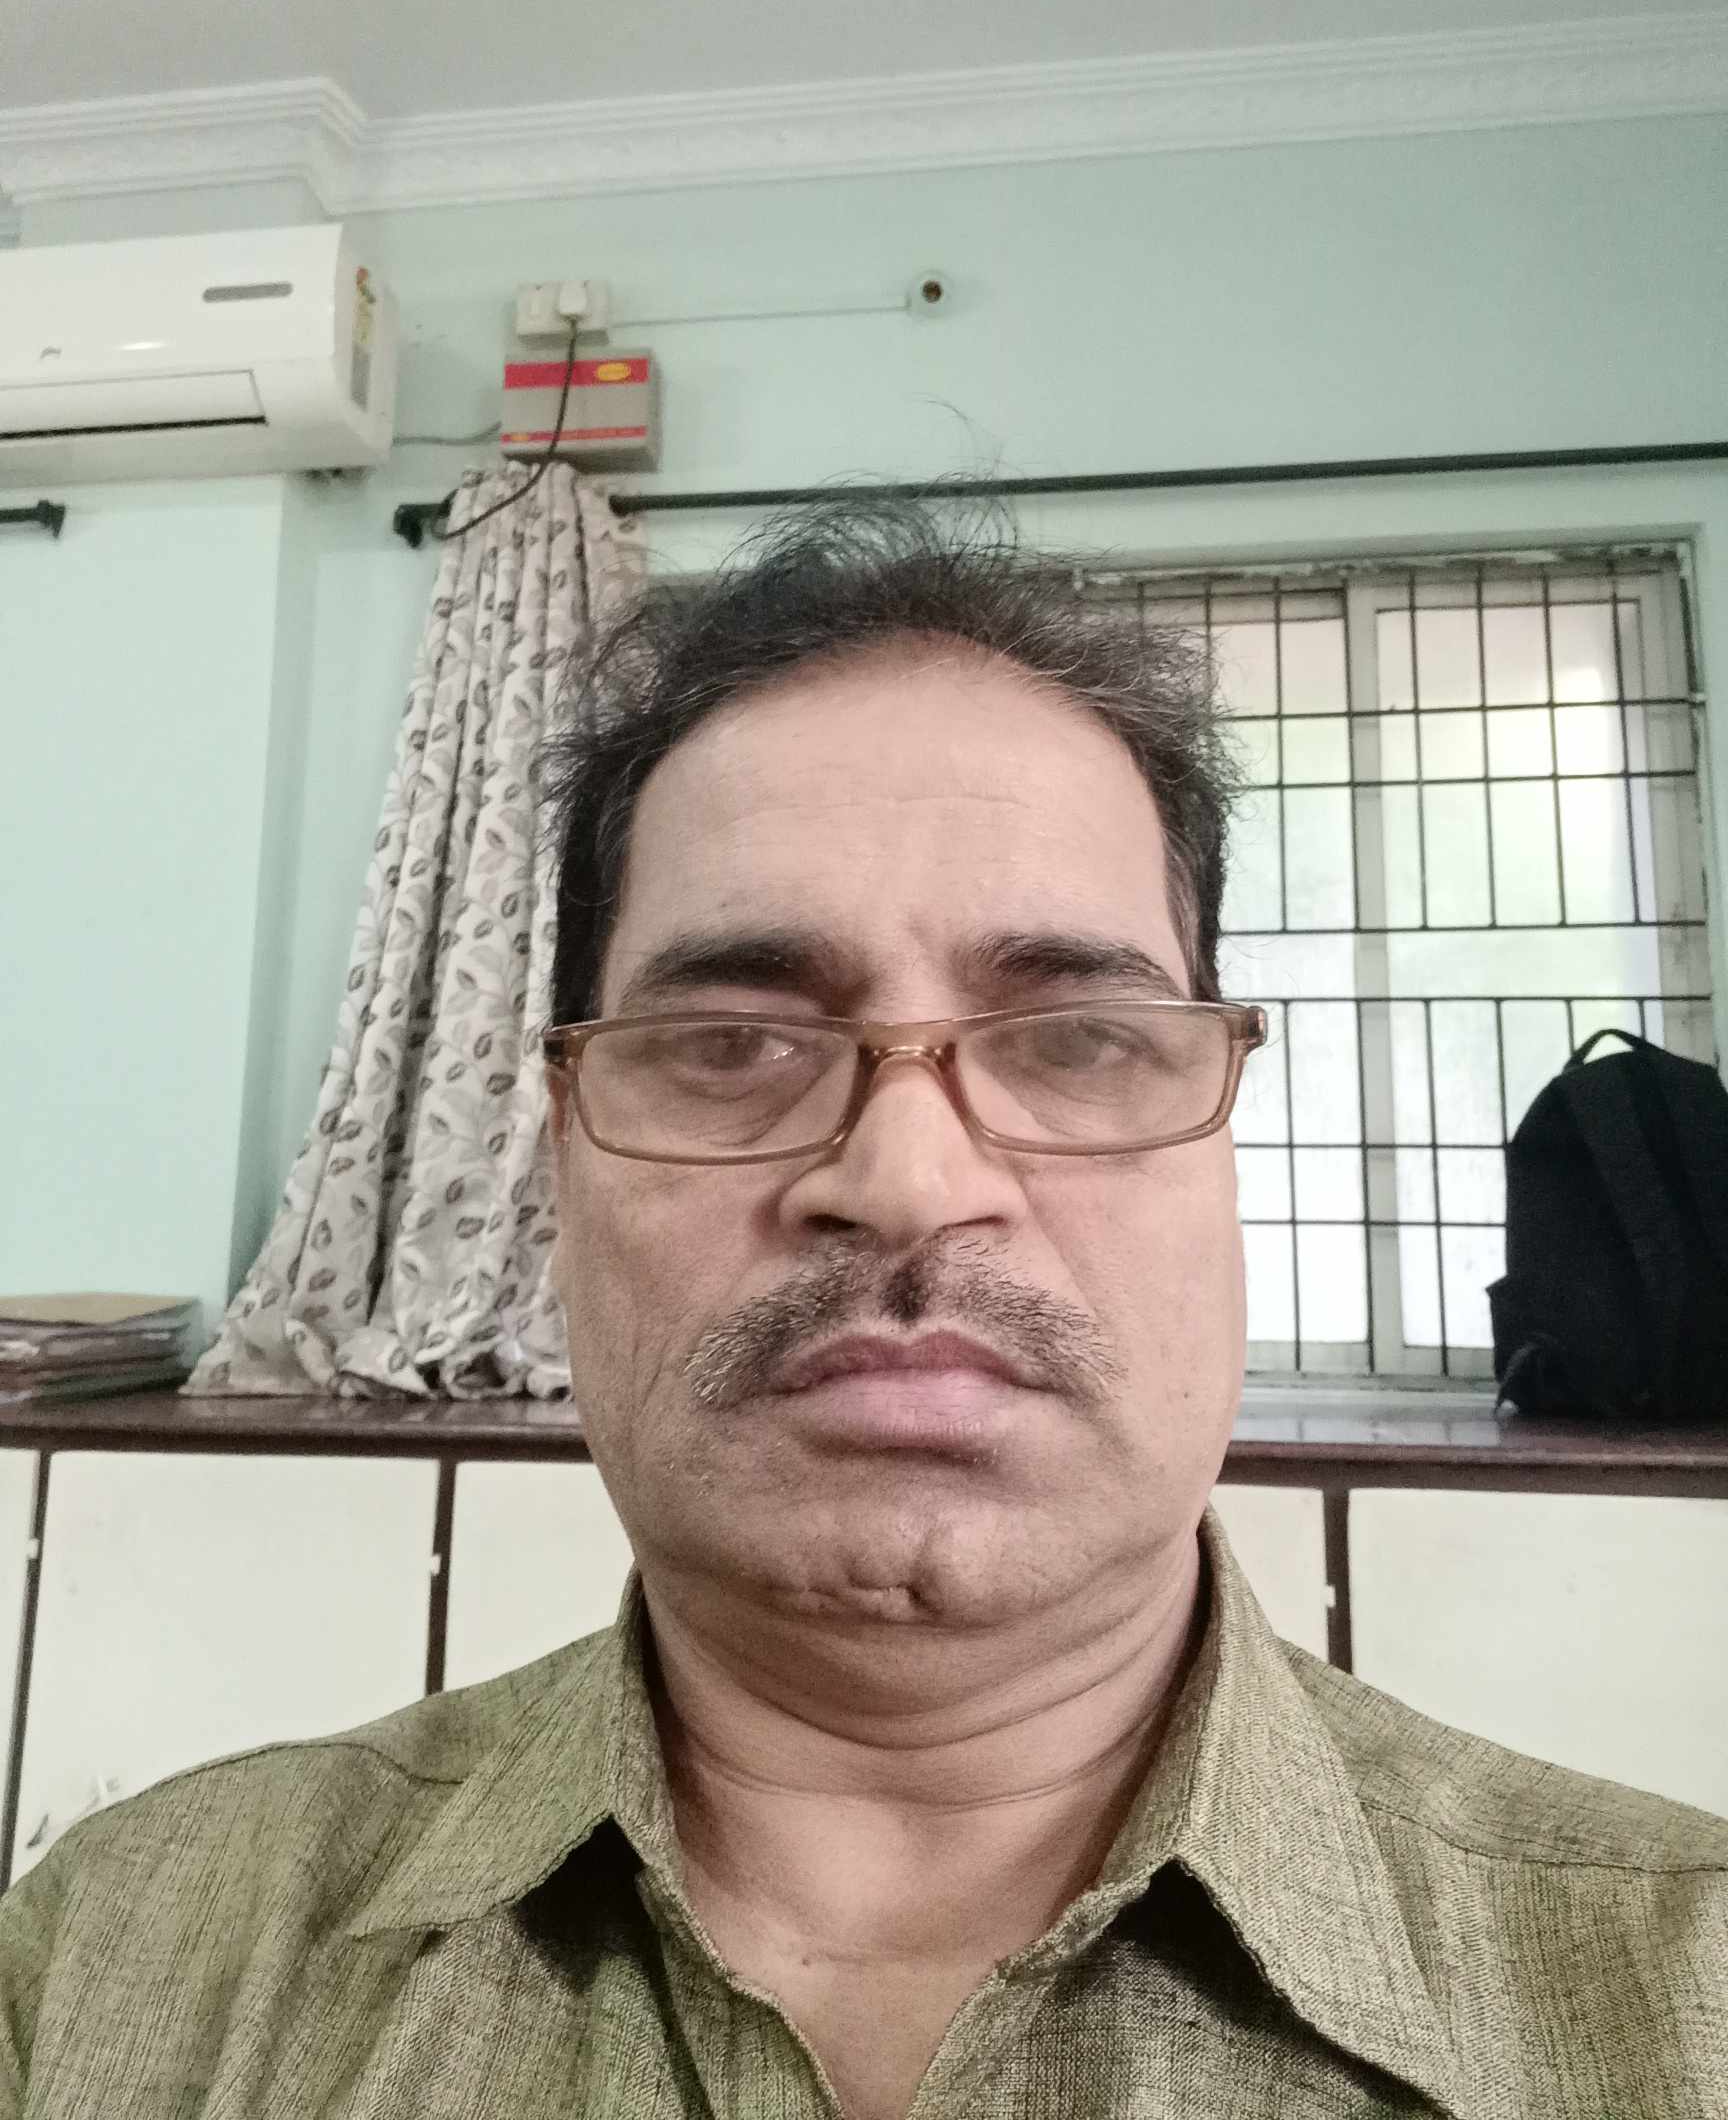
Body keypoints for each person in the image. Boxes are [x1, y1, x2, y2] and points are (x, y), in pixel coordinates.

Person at [2, 503, 1724, 2119]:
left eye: (1079, 1040)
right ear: (561, 1155)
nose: (907, 1180)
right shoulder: (109, 1967)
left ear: (1220, 1141)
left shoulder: (1683, 1995)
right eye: (733, 1043)